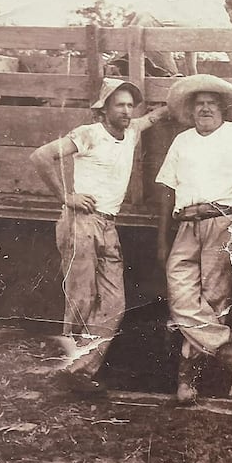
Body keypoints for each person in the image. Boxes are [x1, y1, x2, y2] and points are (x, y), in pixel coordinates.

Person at [30, 78, 167, 393]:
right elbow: (40, 156)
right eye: (119, 105)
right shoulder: (88, 134)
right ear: (104, 109)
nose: (127, 111)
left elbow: (155, 116)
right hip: (82, 222)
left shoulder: (131, 132)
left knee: (115, 303)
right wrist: (66, 196)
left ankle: (79, 370)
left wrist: (179, 99)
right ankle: (71, 370)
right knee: (81, 298)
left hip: (108, 225)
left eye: (130, 105)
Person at [156, 74, 232, 404]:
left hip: (221, 221)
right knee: (180, 294)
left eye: (211, 103)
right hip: (186, 224)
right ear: (190, 110)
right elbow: (167, 188)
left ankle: (187, 380)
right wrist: (162, 238)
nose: (205, 109)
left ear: (223, 109)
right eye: (199, 104)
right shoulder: (182, 141)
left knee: (212, 299)